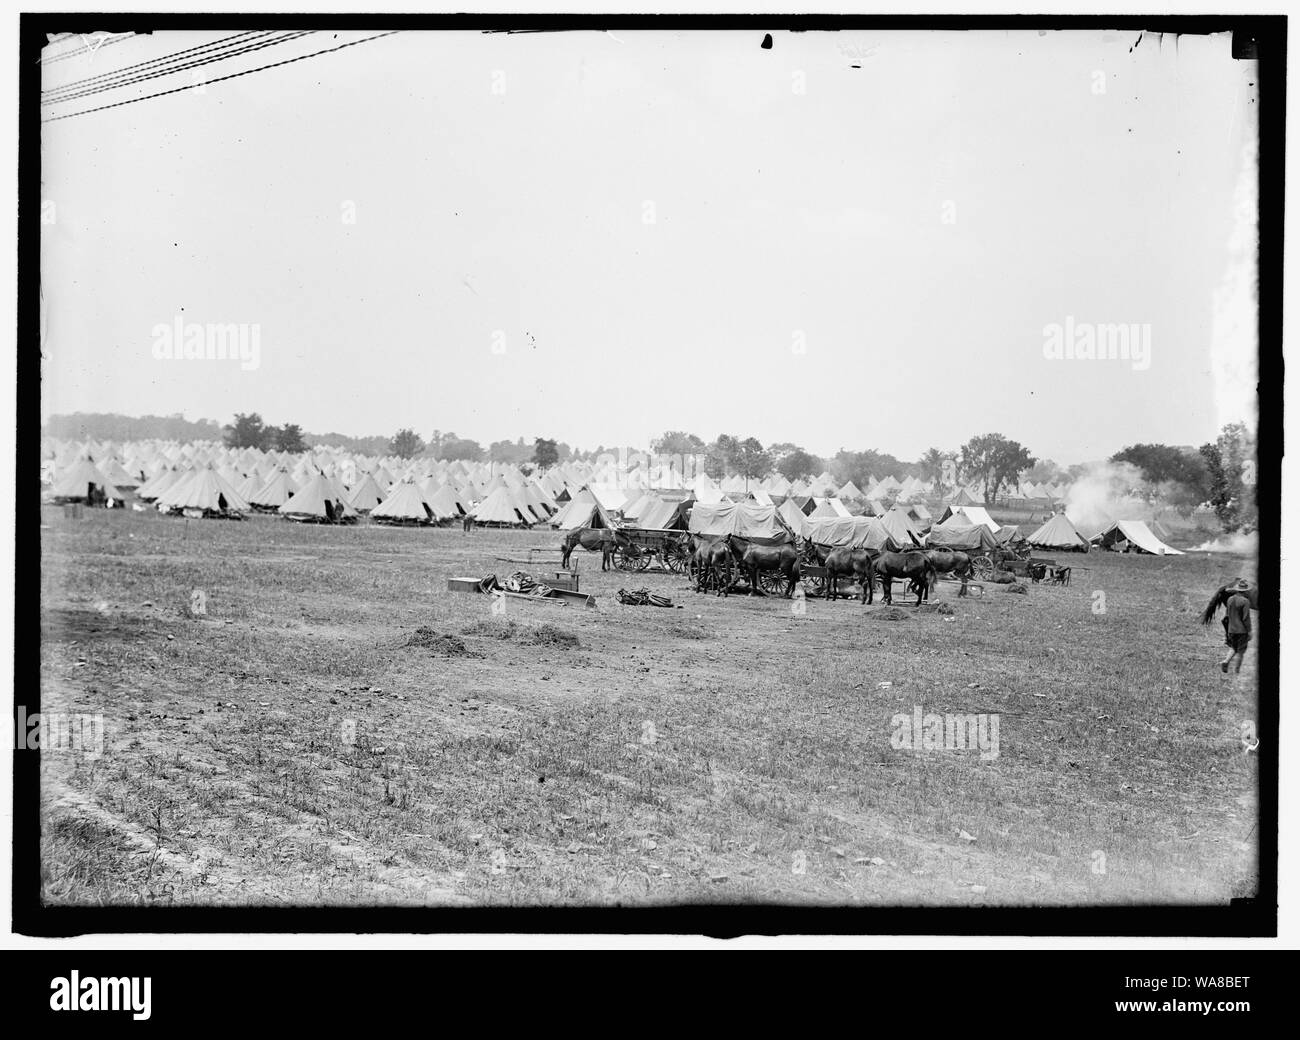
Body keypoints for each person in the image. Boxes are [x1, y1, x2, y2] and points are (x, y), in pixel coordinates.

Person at [1220, 579, 1253, 674]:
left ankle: (1226, 661)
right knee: (1241, 651)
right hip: (1241, 630)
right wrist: (1249, 631)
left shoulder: (1229, 599)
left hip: (1231, 629)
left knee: (1233, 647)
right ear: (1246, 591)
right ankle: (1237, 671)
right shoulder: (1245, 601)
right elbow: (1245, 618)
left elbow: (1227, 615)